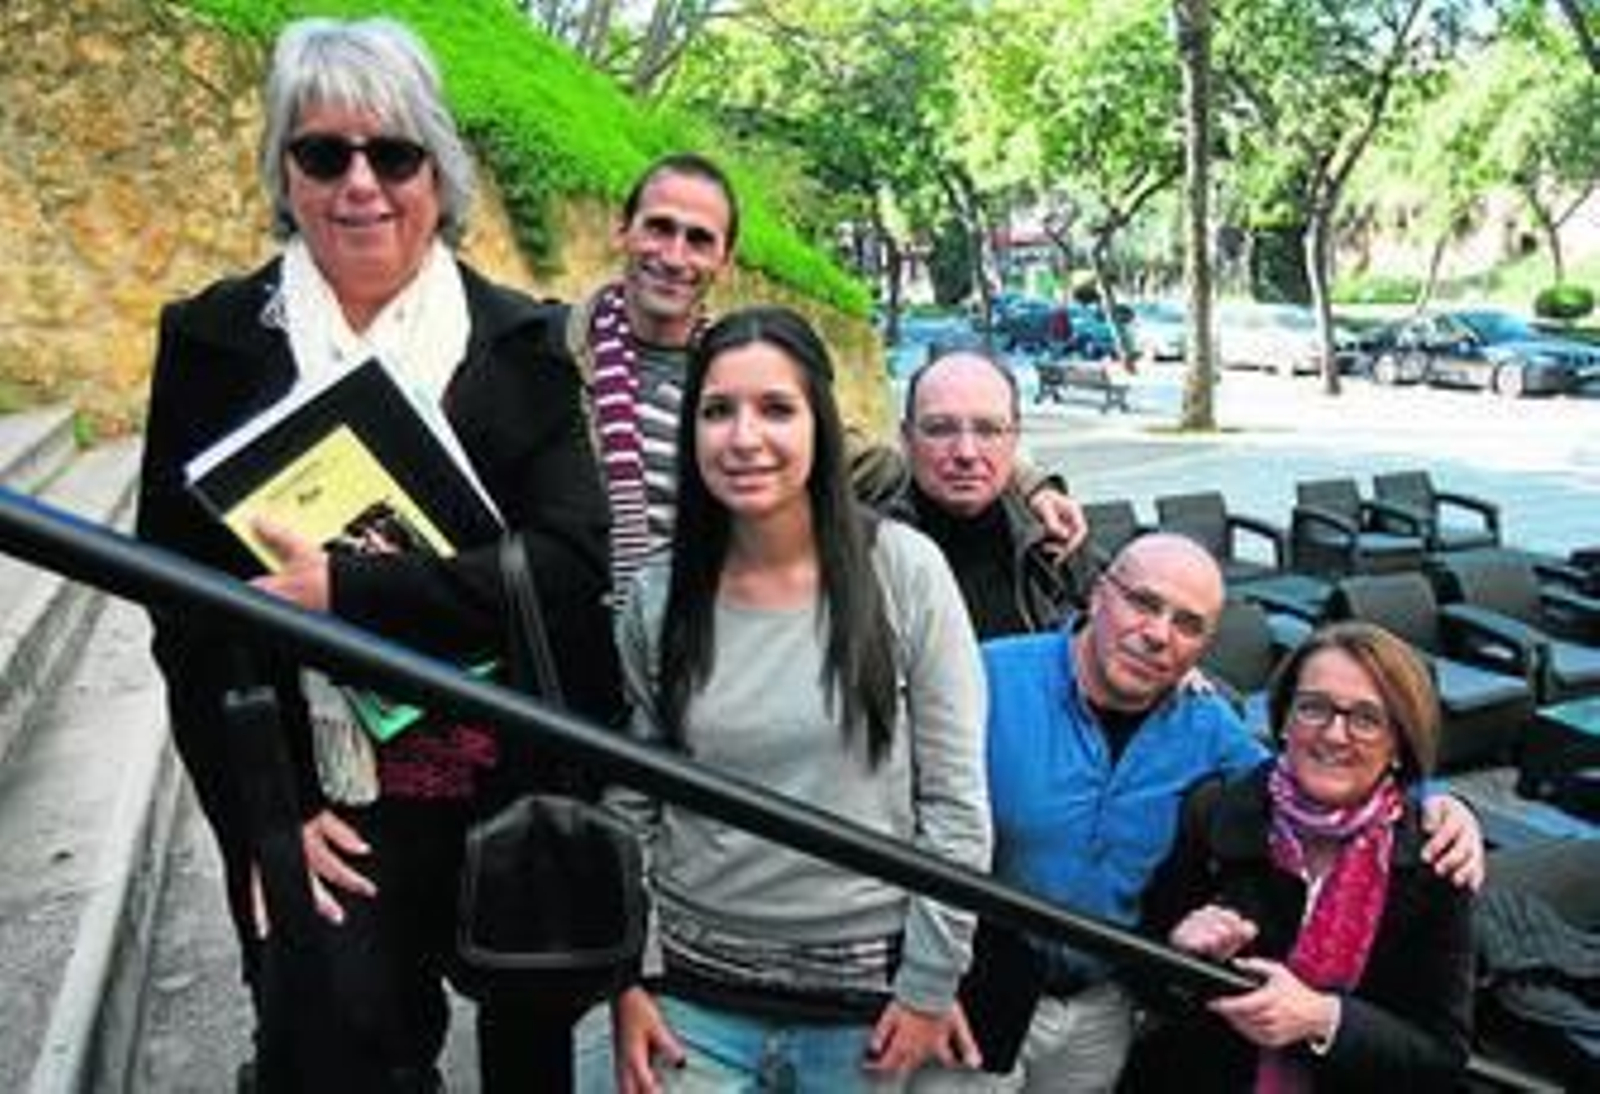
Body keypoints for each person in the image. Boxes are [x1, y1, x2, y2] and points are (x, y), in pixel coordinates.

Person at [136, 17, 617, 1091]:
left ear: (436, 172)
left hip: (507, 788)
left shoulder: (523, 343)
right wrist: (261, 817)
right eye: (323, 152)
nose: (361, 184)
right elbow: (182, 614)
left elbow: (574, 568)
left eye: (392, 153)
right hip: (324, 806)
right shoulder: (212, 344)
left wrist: (344, 589)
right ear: (285, 172)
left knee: (528, 1068)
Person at [583, 306, 992, 1092]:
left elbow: (955, 804)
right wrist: (624, 977)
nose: (744, 437)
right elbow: (636, 796)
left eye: (776, 408)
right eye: (717, 410)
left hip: (867, 1004)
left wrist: (930, 983)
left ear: (822, 425)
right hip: (693, 992)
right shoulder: (658, 596)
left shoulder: (903, 572)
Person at [915, 534, 1483, 1092]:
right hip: (971, 994)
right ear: (1096, 594)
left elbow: (1312, 776)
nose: (1159, 634)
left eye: (1188, 624)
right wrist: (923, 985)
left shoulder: (1209, 729)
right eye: (1143, 603)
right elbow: (900, 816)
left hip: (1100, 1011)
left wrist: (1435, 802)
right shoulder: (986, 676)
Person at [561, 153, 1087, 596]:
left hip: (722, 637)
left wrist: (1025, 480)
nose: (675, 256)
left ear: (723, 260)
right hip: (585, 646)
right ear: (623, 231)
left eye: (699, 239)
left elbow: (883, 460)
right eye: (659, 227)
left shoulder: (748, 374)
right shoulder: (549, 354)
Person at [1130, 621, 1474, 1090]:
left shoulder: (1437, 856)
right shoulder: (1212, 813)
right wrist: (1178, 953)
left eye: (1367, 719)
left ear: (1398, 743)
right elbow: (1144, 980)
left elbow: (1442, 1052)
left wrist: (1324, 1019)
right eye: (1314, 708)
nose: (1334, 735)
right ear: (1284, 719)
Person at [879, 350, 1088, 640]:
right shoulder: (866, 549)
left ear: (1015, 439)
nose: (966, 452)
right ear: (906, 438)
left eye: (988, 430)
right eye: (940, 429)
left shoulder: (1053, 541)